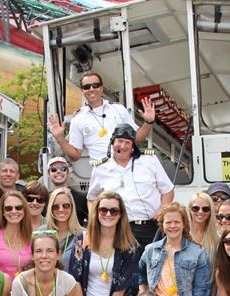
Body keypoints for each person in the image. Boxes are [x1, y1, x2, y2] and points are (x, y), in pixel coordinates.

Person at [87, 124, 175, 252]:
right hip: (119, 228)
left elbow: (168, 191)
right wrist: (95, 220)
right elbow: (91, 199)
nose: (123, 146)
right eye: (120, 141)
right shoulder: (100, 168)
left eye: (127, 142)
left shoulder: (149, 161)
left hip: (151, 228)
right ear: (112, 143)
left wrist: (161, 211)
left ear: (133, 146)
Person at [47, 71, 155, 162]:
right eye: (86, 87)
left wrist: (148, 122)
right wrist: (60, 138)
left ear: (101, 88)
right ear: (82, 91)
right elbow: (75, 155)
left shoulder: (118, 109)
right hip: (102, 172)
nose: (91, 89)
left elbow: (137, 139)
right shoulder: (78, 119)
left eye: (95, 85)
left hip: (127, 167)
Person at [0, 190, 33, 279]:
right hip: (0, 290)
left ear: (24, 210)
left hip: (26, 290)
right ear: (3, 212)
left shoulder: (33, 238)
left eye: (18, 207)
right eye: (8, 208)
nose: (14, 211)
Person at [46, 156, 87, 226]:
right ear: (48, 174)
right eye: (53, 169)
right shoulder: (44, 199)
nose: (58, 171)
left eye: (63, 168)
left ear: (68, 172)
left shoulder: (81, 199)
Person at [187, 192, 220, 263]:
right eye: (195, 208)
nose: (200, 212)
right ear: (189, 209)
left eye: (205, 209)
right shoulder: (182, 234)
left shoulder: (216, 238)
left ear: (211, 211)